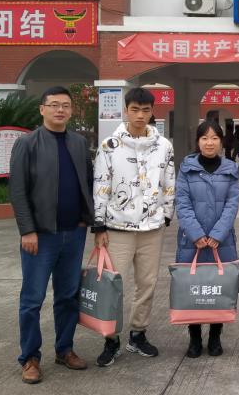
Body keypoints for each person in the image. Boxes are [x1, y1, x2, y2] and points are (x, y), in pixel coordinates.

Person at [8, 86, 94, 384]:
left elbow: (88, 183)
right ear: (42, 109)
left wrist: (86, 220)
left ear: (71, 110)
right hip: (40, 236)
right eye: (54, 104)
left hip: (74, 233)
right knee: (32, 299)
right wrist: (27, 230)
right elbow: (17, 190)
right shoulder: (27, 143)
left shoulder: (79, 143)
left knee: (68, 296)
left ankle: (64, 349)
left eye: (65, 105)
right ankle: (30, 357)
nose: (60, 110)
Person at [92, 87, 176, 367]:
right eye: (135, 110)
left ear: (152, 112)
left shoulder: (163, 146)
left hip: (152, 228)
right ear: (126, 111)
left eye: (146, 110)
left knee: (147, 284)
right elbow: (101, 185)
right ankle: (111, 339)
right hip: (117, 228)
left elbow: (169, 180)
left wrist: (166, 213)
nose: (140, 115)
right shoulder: (109, 146)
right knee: (114, 285)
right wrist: (99, 224)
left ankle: (138, 334)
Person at [176, 120, 239, 358]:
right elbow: (182, 203)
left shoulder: (230, 169)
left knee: (219, 288)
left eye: (214, 138)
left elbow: (232, 204)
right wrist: (196, 234)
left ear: (221, 142)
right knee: (192, 288)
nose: (209, 143)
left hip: (221, 242)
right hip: (191, 241)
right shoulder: (186, 169)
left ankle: (215, 337)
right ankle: (194, 339)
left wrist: (217, 234)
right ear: (198, 141)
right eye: (204, 138)